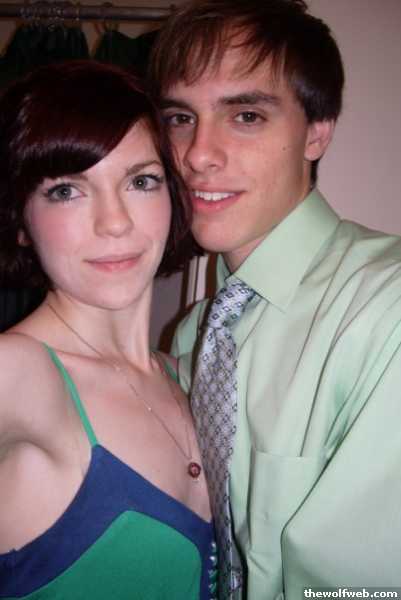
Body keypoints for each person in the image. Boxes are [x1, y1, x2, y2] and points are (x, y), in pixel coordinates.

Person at [149, 0, 401, 598]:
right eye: (181, 117)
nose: (197, 154)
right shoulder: (194, 333)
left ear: (317, 132)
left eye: (246, 116)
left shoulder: (387, 312)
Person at [0, 60, 217, 600]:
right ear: (20, 221)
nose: (115, 221)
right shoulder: (16, 371)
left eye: (141, 181)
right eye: (66, 191)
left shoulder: (186, 376)